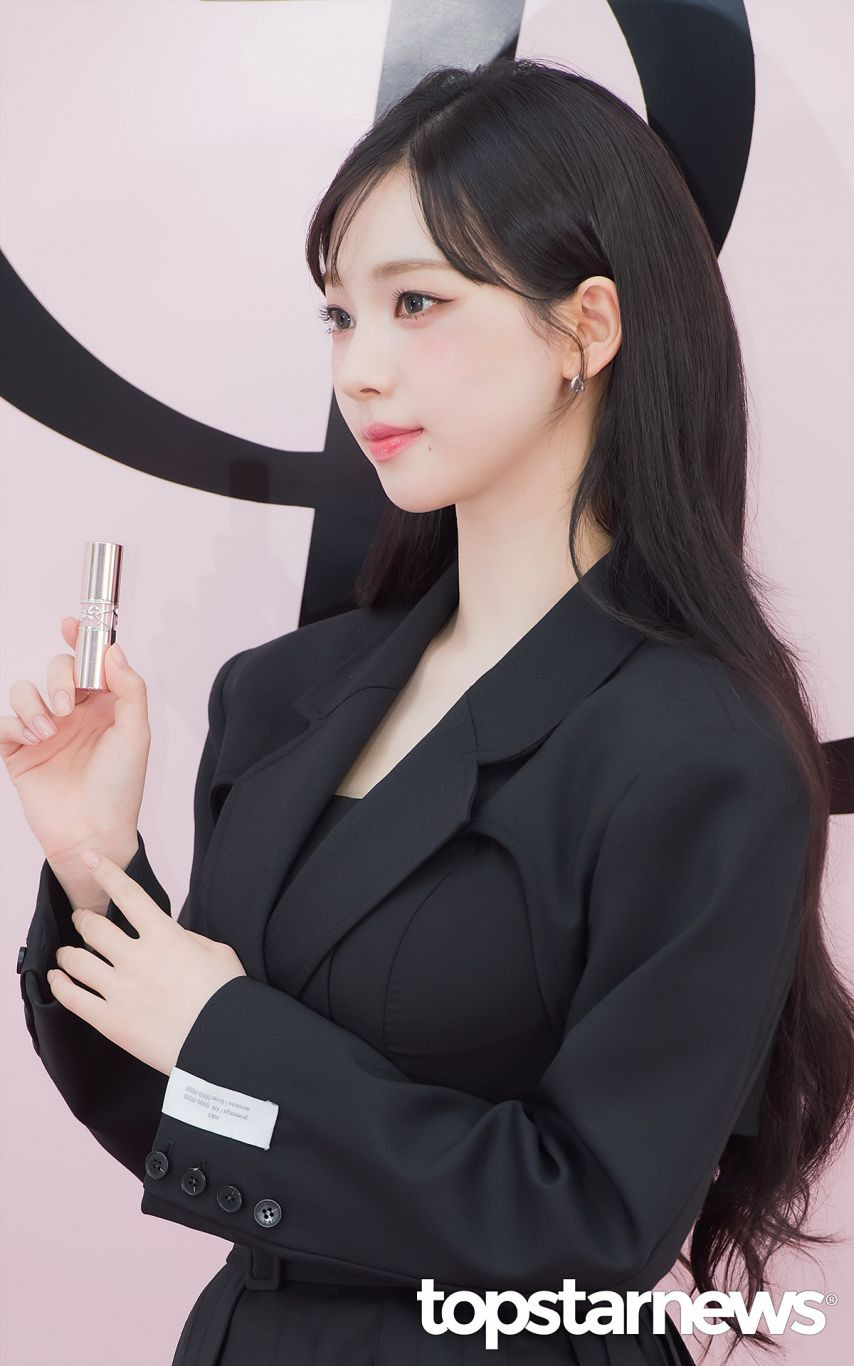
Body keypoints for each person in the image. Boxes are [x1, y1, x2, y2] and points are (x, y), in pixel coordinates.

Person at [6, 58, 853, 1366]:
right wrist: (95, 862)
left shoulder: (703, 750)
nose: (360, 369)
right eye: (339, 314)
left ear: (585, 328)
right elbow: (188, 1124)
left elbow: (600, 1219)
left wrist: (227, 1032)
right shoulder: (278, 696)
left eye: (416, 303)